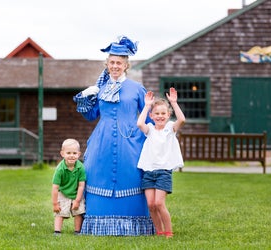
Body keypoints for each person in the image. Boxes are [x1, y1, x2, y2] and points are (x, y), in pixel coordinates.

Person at [73, 36, 155, 236]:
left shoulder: (136, 89)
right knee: (97, 174)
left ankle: (135, 224)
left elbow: (149, 118)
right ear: (106, 64)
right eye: (112, 62)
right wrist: (87, 97)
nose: (115, 66)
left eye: (119, 63)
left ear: (126, 65)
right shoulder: (100, 88)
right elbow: (91, 115)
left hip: (131, 141)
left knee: (132, 176)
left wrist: (158, 138)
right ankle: (97, 223)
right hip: (103, 141)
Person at [137, 87, 186, 238]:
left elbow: (182, 120)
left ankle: (168, 232)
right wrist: (146, 106)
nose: (160, 116)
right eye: (157, 114)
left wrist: (174, 102)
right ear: (151, 116)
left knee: (159, 203)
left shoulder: (171, 128)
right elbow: (140, 123)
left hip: (163, 172)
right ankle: (159, 231)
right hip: (149, 172)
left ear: (168, 115)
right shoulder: (150, 129)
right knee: (151, 205)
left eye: (163, 113)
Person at [51, 138, 86, 236]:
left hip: (76, 193)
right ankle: (57, 231)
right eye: (68, 153)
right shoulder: (60, 169)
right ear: (62, 154)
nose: (71, 155)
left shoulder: (81, 167)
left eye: (74, 153)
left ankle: (77, 231)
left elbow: (81, 185)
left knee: (79, 212)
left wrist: (77, 200)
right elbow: (55, 187)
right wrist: (55, 204)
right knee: (59, 212)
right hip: (63, 193)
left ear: (79, 154)